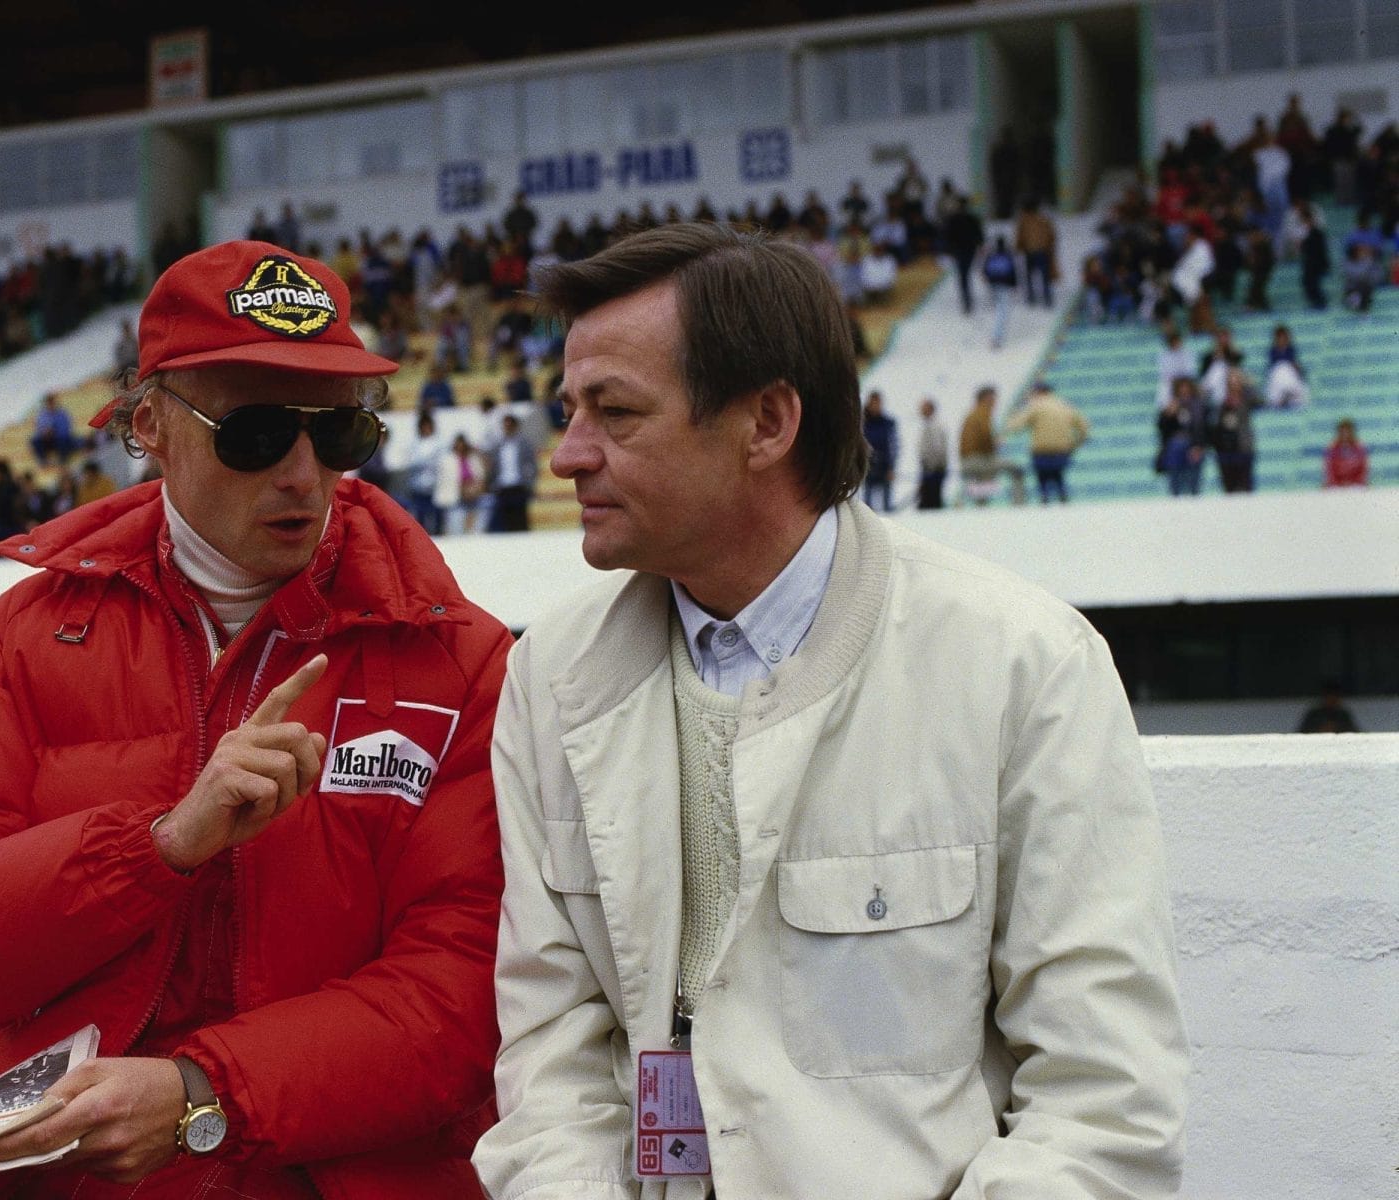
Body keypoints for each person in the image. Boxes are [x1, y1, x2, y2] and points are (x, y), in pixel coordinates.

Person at [473, 222, 1187, 1199]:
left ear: (766, 423)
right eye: (569, 410)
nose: (566, 456)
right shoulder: (552, 675)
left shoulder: (1023, 666)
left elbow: (1105, 1099)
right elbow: (551, 1057)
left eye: (617, 413)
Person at [0, 240, 512, 1200]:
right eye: (256, 434)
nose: (302, 474)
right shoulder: (38, 629)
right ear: (149, 427)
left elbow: (463, 1004)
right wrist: (162, 846)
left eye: (336, 434)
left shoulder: (461, 660)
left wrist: (199, 1094)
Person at [1005, 381, 1090, 503]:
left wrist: (1010, 420)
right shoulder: (1065, 405)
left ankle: (1045, 497)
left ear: (1038, 392)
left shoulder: (1036, 406)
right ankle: (1062, 495)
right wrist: (1075, 444)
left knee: (1043, 477)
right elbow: (1084, 428)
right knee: (1058, 475)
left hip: (1041, 451)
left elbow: (1015, 426)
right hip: (1062, 451)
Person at [958, 385, 1027, 505]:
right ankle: (1019, 506)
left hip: (969, 460)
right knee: (1017, 470)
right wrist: (995, 443)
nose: (995, 402)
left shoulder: (971, 414)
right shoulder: (983, 413)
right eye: (993, 398)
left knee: (984, 482)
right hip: (978, 460)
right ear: (986, 399)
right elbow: (985, 439)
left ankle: (981, 508)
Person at [1209, 372, 1259, 494]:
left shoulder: (1246, 399)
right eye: (1232, 382)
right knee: (1229, 488)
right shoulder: (1222, 401)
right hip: (1226, 449)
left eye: (1237, 381)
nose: (1234, 385)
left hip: (1243, 446)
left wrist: (1249, 386)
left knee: (1246, 485)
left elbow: (1260, 401)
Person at [487, 413, 537, 533]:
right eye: (505, 425)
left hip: (519, 485)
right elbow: (493, 466)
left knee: (520, 519)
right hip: (502, 486)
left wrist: (529, 482)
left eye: (509, 425)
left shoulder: (524, 444)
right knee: (505, 521)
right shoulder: (498, 445)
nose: (507, 428)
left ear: (515, 426)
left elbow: (531, 464)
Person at [1157, 378, 1206, 497]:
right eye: (1181, 390)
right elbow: (1163, 430)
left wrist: (1198, 446)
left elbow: (1201, 428)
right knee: (1175, 480)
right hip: (1175, 449)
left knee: (1194, 482)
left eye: (1187, 389)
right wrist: (1168, 415)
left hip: (1193, 447)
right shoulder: (1171, 407)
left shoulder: (1198, 407)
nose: (1184, 392)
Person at [1015, 197, 1057, 306]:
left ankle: (1031, 297)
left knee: (1029, 275)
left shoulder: (1024, 220)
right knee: (1045, 275)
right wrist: (1049, 247)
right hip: (1043, 251)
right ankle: (1047, 297)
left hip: (1030, 252)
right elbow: (1051, 235)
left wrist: (1018, 248)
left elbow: (1020, 236)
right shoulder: (1043, 219)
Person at [861, 391, 897, 511]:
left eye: (878, 403)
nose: (876, 406)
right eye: (873, 403)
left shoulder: (888, 424)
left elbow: (893, 447)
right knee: (867, 506)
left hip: (884, 467)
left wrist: (891, 467)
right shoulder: (863, 423)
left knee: (887, 506)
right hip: (867, 467)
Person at [981, 235, 1019, 349]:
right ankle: (997, 337)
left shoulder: (991, 255)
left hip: (993, 284)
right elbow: (1013, 271)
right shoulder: (1008, 255)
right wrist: (1014, 285)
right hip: (1005, 285)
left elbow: (985, 270)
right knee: (1002, 311)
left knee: (998, 308)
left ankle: (996, 336)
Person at [1264, 325, 1310, 410]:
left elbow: (1294, 364)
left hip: (1290, 375)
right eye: (1280, 337)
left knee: (1290, 370)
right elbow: (1274, 367)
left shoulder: (1291, 350)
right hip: (1277, 377)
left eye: (1284, 337)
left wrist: (1296, 367)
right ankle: (1282, 396)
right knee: (1281, 369)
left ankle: (1289, 394)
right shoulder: (1273, 351)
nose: (1282, 339)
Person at [916, 396, 948, 509]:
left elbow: (937, 449)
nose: (920, 410)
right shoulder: (929, 425)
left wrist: (931, 468)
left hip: (933, 471)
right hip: (930, 470)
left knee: (931, 503)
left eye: (923, 408)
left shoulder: (935, 426)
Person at [30, 392, 78, 465]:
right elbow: (39, 428)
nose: (50, 404)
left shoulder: (62, 413)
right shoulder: (42, 414)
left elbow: (66, 429)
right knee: (35, 440)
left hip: (59, 437)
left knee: (63, 439)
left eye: (51, 402)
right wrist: (44, 433)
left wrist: (54, 432)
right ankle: (43, 461)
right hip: (46, 439)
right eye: (48, 402)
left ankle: (62, 460)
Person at [1323, 419, 1369, 487]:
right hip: (1336, 485)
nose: (1345, 434)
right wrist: (1337, 483)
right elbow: (1330, 470)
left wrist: (1355, 482)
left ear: (1352, 432)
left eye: (1347, 432)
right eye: (1343, 432)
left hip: (1356, 484)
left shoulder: (1359, 448)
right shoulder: (1332, 448)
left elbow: (1363, 469)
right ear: (1339, 433)